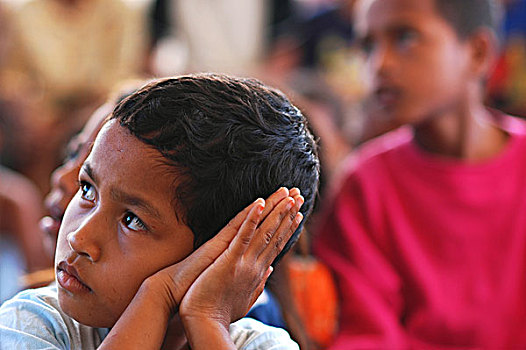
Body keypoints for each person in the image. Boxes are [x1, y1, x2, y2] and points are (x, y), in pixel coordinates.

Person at [0, 73, 319, 349]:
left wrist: (206, 317)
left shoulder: (260, 345)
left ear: (224, 253)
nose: (79, 237)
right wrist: (158, 295)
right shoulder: (33, 325)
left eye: (132, 221)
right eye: (88, 190)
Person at [313, 0, 526, 348]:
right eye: (368, 45)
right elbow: (365, 334)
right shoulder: (365, 185)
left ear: (477, 52)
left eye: (405, 37)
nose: (379, 64)